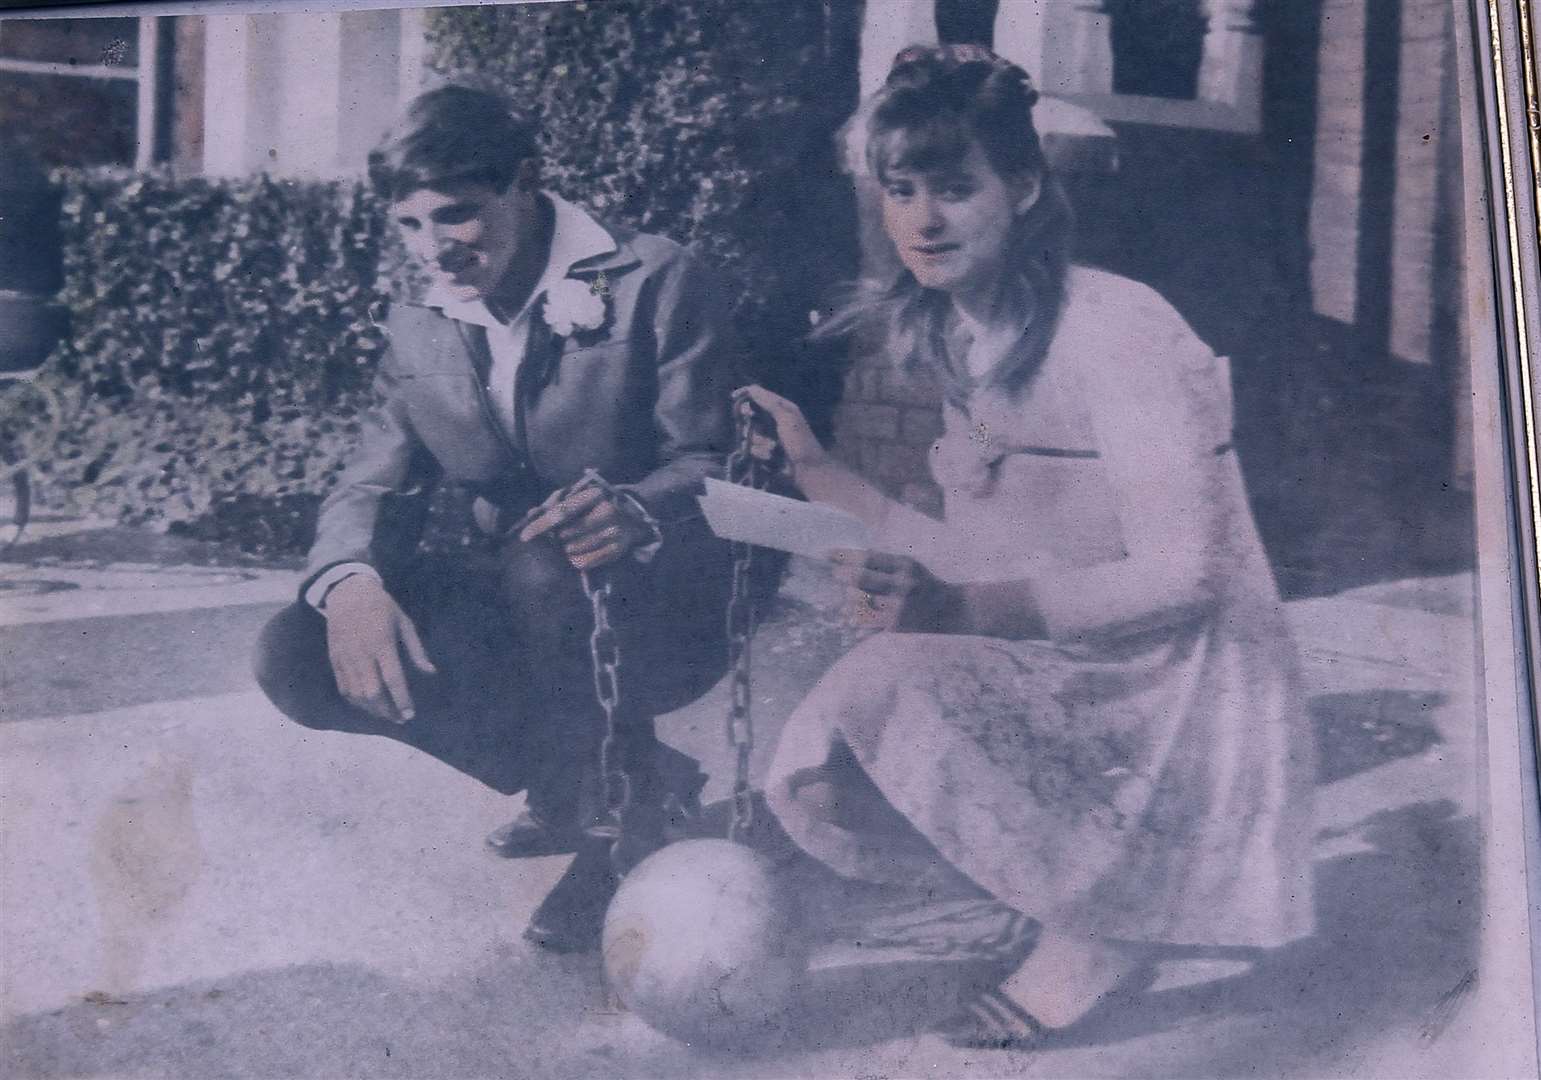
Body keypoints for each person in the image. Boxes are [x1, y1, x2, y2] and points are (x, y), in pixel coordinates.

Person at [740, 44, 1315, 1047]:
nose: (923, 219)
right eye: (900, 189)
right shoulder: (963, 334)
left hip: (1176, 684)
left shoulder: (1115, 327)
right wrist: (817, 475)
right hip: (1073, 652)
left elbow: (1188, 573)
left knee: (886, 687)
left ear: (1021, 185)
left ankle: (1106, 921)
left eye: (954, 188)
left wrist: (959, 611)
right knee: (824, 742)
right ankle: (1062, 881)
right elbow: (972, 558)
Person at [254, 85, 741, 953]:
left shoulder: (655, 280)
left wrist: (638, 508)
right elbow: (372, 482)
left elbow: (719, 461)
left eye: (456, 216)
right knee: (295, 653)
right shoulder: (420, 324)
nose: (432, 250)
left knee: (545, 565)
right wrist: (352, 582)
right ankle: (597, 778)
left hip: (660, 592)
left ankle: (615, 838)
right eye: (408, 226)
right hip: (525, 594)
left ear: (526, 182)